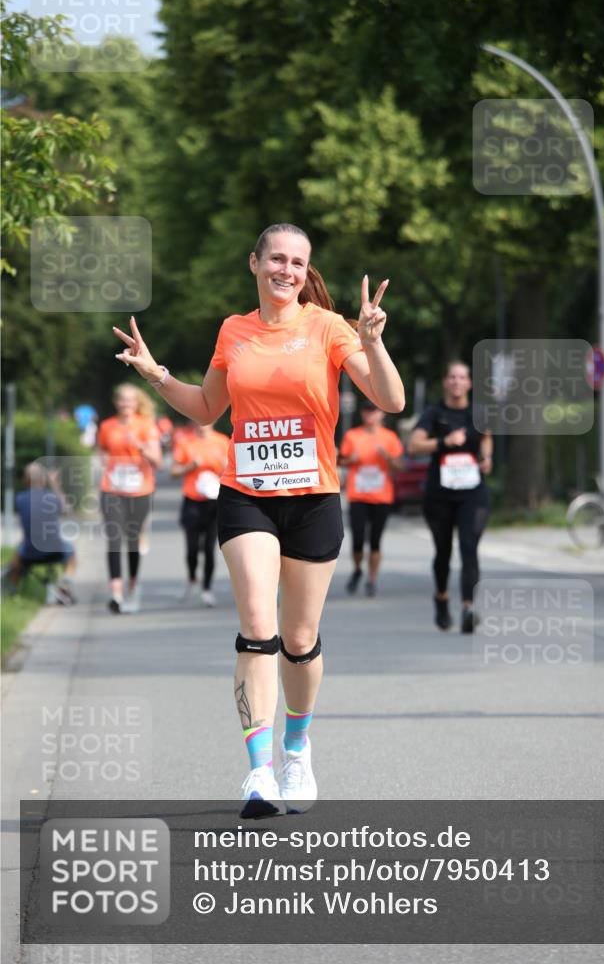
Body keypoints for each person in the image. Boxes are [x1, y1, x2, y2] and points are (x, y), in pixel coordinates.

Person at [113, 222, 404, 817]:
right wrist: (155, 374)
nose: (287, 270)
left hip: (313, 498)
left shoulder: (328, 327)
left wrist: (372, 339)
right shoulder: (233, 330)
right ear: (254, 263)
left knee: (299, 641)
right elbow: (206, 410)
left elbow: (390, 400)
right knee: (257, 627)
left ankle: (297, 747)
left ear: (305, 271)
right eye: (277, 258)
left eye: (298, 262)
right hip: (246, 493)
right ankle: (260, 772)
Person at [407, 361, 493, 633]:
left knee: (469, 547)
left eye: (462, 377)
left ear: (469, 383)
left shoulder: (477, 413)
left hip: (472, 492)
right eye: (452, 377)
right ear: (445, 382)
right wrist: (443, 442)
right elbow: (413, 445)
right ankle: (442, 598)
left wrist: (486, 457)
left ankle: (468, 607)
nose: (457, 382)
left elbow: (487, 437)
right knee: (443, 551)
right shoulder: (434, 413)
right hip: (440, 494)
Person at [97, 383, 162, 613]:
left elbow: (157, 461)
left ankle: (132, 584)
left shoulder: (146, 426)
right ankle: (115, 593)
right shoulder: (107, 426)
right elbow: (102, 449)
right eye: (122, 399)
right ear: (116, 402)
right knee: (114, 538)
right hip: (112, 488)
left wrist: (142, 448)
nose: (126, 404)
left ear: (136, 403)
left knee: (132, 540)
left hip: (140, 489)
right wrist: (105, 459)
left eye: (130, 400)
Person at [337, 401, 404, 597]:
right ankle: (358, 569)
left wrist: (388, 458)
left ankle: (372, 579)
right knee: (357, 540)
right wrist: (351, 460)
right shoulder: (352, 436)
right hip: (358, 495)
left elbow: (400, 466)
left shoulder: (389, 438)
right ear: (362, 413)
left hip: (381, 496)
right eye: (367, 411)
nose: (370, 415)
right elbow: (340, 460)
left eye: (374, 411)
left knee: (375, 541)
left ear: (381, 414)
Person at [170, 422, 230, 606]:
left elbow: (232, 470)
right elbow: (174, 472)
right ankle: (191, 579)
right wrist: (191, 466)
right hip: (192, 500)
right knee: (192, 549)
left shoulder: (222, 441)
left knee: (210, 548)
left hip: (214, 501)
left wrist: (224, 466)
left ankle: (207, 588)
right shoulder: (185, 442)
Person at [10, 462, 76, 604]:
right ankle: (65, 583)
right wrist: (55, 484)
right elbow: (67, 510)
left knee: (17, 553)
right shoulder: (52, 497)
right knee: (70, 549)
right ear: (43, 479)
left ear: (25, 480)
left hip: (29, 552)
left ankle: (12, 591)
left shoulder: (20, 499)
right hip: (55, 550)